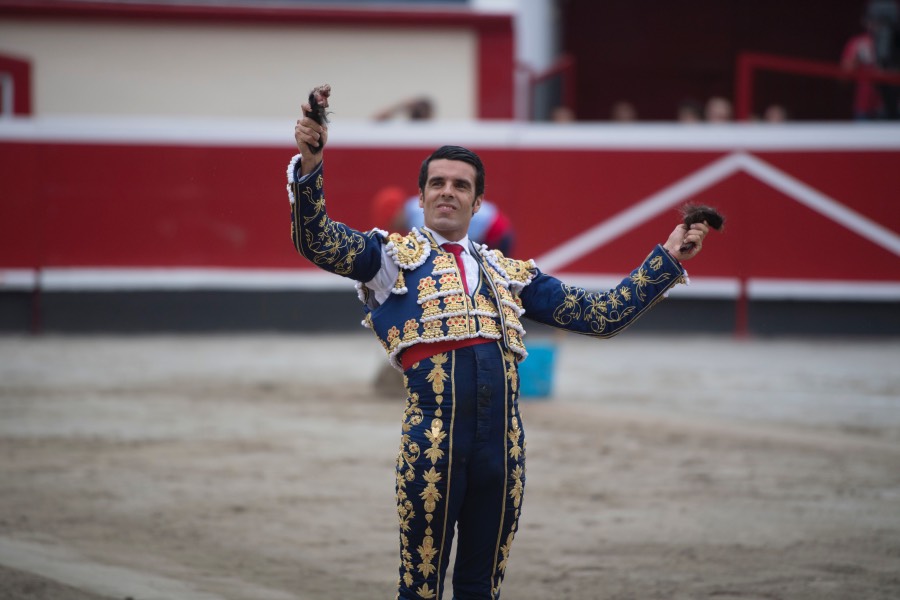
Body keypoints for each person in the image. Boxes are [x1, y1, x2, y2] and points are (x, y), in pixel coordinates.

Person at [288, 85, 711, 600]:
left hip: (504, 451)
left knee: (480, 589)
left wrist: (668, 257)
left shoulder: (507, 273)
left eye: (460, 185)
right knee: (419, 589)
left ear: (477, 200)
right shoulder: (388, 260)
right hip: (432, 446)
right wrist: (311, 162)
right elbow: (319, 240)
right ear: (420, 198)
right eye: (437, 183)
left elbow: (600, 316)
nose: (448, 191)